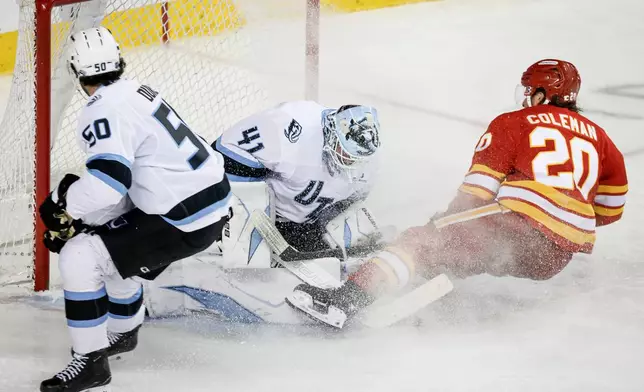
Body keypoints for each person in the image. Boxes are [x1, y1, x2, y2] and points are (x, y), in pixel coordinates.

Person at [286, 59, 629, 328]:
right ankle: (417, 288)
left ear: (543, 95)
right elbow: (612, 208)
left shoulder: (515, 122)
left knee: (421, 240)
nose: (527, 97)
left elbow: (476, 192)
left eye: (531, 90)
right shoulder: (601, 138)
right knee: (461, 247)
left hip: (521, 226)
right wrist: (561, 216)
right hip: (557, 256)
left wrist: (444, 223)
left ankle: (344, 300)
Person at [38, 27, 232, 391]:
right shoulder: (138, 89)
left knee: (81, 255)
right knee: (107, 241)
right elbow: (120, 189)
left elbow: (107, 185)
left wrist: (63, 207)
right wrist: (82, 216)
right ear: (119, 61)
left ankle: (91, 364)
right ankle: (123, 331)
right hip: (209, 199)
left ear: (78, 73)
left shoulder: (101, 109)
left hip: (182, 217)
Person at [213, 101, 381, 254]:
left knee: (356, 240)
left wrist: (322, 230)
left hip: (301, 224)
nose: (351, 161)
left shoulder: (369, 160)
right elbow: (226, 152)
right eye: (346, 153)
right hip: (265, 213)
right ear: (332, 134)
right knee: (245, 253)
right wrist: (227, 215)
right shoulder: (291, 126)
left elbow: (347, 204)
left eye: (356, 158)